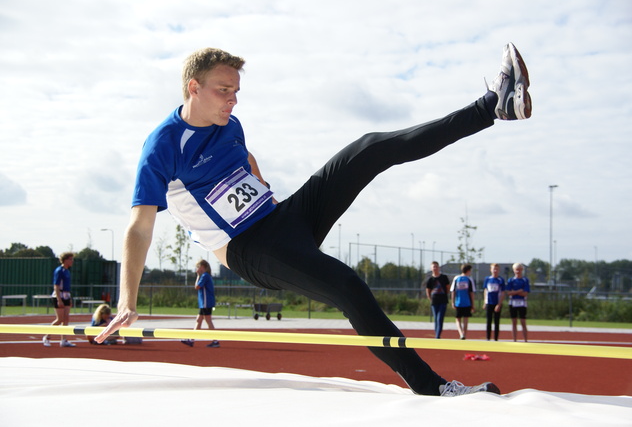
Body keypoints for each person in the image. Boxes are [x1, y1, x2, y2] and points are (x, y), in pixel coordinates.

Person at [97, 42, 532, 397]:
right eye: (223, 90)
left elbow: (243, 158)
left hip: (284, 217)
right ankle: (432, 387)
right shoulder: (161, 147)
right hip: (253, 250)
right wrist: (126, 300)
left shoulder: (231, 124)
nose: (233, 99)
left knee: (368, 149)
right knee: (348, 287)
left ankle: (493, 106)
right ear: (192, 87)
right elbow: (139, 226)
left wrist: (257, 177)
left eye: (236, 91)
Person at [181, 259, 220, 348]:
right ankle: (192, 340)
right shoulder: (206, 275)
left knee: (208, 320)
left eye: (198, 267)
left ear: (203, 267)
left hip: (206, 302)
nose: (197, 269)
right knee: (199, 320)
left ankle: (215, 340)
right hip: (205, 302)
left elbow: (197, 286)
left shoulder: (205, 276)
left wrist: (198, 275)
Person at [43, 252, 76, 347]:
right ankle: (47, 336)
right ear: (65, 260)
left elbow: (67, 287)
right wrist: (59, 299)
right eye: (70, 259)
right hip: (59, 296)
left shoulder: (67, 271)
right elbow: (56, 286)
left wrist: (69, 298)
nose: (72, 261)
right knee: (59, 319)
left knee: (66, 319)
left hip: (66, 295)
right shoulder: (59, 271)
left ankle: (64, 340)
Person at [424, 261, 450, 339]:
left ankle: (437, 335)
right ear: (431, 268)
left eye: (436, 266)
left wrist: (445, 294)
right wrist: (430, 298)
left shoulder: (444, 277)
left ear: (438, 268)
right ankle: (437, 334)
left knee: (440, 318)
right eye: (433, 267)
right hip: (434, 300)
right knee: (436, 318)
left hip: (443, 300)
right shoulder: (430, 279)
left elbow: (448, 287)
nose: (435, 268)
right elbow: (428, 290)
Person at [506, 262, 530, 342]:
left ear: (522, 270)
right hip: (513, 303)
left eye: (520, 270)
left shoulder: (525, 280)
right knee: (514, 322)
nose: (518, 271)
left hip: (522, 303)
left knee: (523, 321)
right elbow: (509, 292)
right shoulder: (511, 280)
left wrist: (515, 292)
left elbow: (525, 293)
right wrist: (519, 291)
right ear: (514, 270)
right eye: (516, 270)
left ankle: (525, 340)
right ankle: (514, 340)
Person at [451, 264, 475, 340]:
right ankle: (464, 333)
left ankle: (461, 333)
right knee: (465, 319)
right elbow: (471, 293)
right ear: (468, 271)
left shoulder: (456, 278)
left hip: (458, 302)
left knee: (458, 319)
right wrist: (473, 304)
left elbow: (453, 291)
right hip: (467, 302)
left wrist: (453, 301)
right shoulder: (469, 279)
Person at [483, 263, 506, 341]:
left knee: (496, 321)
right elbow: (485, 290)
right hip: (489, 302)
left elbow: (502, 293)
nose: (495, 271)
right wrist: (485, 302)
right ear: (490, 270)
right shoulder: (487, 279)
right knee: (488, 321)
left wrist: (499, 304)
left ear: (499, 270)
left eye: (496, 269)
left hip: (497, 302)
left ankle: (496, 339)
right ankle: (488, 338)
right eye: (493, 269)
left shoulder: (500, 280)